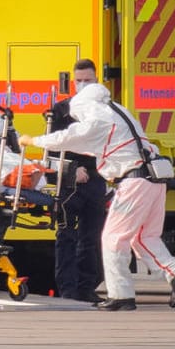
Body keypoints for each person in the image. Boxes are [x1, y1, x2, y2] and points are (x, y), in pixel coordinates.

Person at [20, 84, 175, 311]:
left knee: (112, 239)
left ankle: (121, 295)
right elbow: (96, 146)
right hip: (155, 179)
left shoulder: (97, 119)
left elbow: (69, 137)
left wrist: (33, 141)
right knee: (143, 237)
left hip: (134, 182)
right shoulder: (120, 113)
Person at [44, 60, 106, 302]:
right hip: (69, 182)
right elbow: (51, 150)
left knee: (91, 237)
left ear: (97, 80)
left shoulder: (105, 109)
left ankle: (86, 289)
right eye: (79, 81)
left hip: (96, 178)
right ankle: (68, 291)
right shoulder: (60, 111)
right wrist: (72, 170)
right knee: (66, 236)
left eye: (88, 81)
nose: (83, 85)